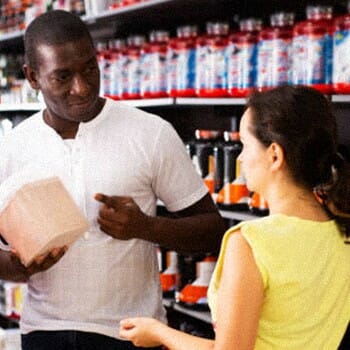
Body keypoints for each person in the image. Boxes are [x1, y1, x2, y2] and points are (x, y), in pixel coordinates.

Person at [0, 10, 226, 350]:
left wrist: (145, 227)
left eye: (90, 68)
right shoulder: (12, 148)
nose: (82, 87)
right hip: (44, 333)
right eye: (62, 77)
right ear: (32, 77)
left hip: (131, 333)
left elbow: (213, 230)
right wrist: (18, 267)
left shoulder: (150, 133)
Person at [119, 85, 350, 350]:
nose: (239, 157)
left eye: (245, 145)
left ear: (274, 155)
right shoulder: (342, 234)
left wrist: (159, 333)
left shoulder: (251, 243)